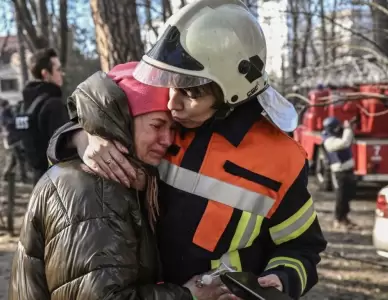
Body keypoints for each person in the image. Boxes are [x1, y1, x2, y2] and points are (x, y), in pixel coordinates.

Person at [47, 0, 327, 299]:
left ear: (230, 94)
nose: (172, 103)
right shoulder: (167, 125)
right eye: (172, 84)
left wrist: (282, 277)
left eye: (191, 92)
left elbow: (301, 246)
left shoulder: (280, 159)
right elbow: (99, 100)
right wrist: (83, 134)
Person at [9, 62, 227, 300]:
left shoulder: (126, 177)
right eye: (157, 125)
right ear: (124, 120)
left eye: (173, 128)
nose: (167, 139)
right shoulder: (94, 188)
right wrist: (188, 295)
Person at [19, 48, 69, 183]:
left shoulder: (24, 106)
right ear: (45, 74)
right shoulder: (53, 105)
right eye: (58, 70)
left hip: (38, 181)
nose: (62, 74)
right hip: (58, 181)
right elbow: (64, 150)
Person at [322, 117, 357, 229]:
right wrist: (347, 129)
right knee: (340, 196)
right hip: (339, 172)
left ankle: (344, 218)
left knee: (347, 195)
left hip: (347, 170)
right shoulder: (328, 140)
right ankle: (338, 219)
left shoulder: (334, 135)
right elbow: (344, 143)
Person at [0, 99, 27, 183]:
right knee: (20, 159)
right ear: (5, 105)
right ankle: (23, 178)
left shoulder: (8, 113)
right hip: (12, 140)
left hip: (15, 139)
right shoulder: (4, 114)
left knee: (14, 160)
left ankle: (5, 175)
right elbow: (9, 123)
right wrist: (16, 120)